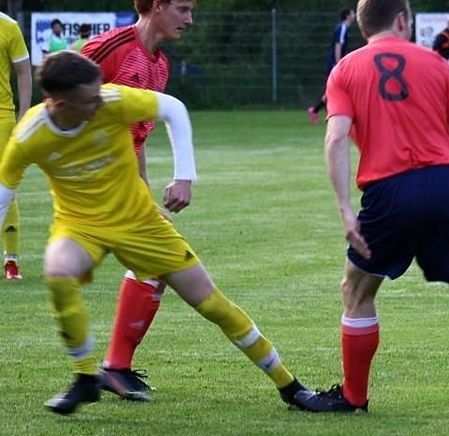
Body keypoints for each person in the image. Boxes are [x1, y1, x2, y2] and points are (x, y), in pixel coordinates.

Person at [0, 51, 321, 415]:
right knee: (58, 272)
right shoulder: (30, 135)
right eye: (89, 99)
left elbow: (173, 109)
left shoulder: (112, 100)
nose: (99, 102)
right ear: (59, 104)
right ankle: (85, 377)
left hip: (141, 223)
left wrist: (185, 175)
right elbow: (4, 193)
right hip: (80, 226)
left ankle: (290, 386)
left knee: (212, 304)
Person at [308, 0, 449, 422]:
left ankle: (354, 396)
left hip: (388, 191)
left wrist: (345, 210)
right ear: (403, 19)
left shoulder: (345, 69)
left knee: (357, 291)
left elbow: (335, 139)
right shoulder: (437, 65)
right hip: (447, 185)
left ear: (363, 24)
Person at [81, 0, 197, 402]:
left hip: (124, 185)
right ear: (157, 6)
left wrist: (142, 187)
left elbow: (136, 136)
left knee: (157, 264)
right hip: (97, 183)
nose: (190, 20)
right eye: (183, 9)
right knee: (166, 262)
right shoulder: (108, 49)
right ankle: (113, 367)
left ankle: (115, 367)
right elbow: (61, 103)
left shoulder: (160, 65)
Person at [0, 12, 32, 281]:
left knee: (5, 185)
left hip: (2, 117)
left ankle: (11, 259)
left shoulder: (9, 26)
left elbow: (23, 72)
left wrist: (23, 115)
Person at [307, 7, 355, 125]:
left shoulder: (343, 28)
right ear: (347, 16)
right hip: (335, 64)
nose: (354, 15)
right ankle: (325, 112)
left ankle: (317, 111)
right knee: (334, 90)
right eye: (352, 13)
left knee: (333, 90)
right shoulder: (342, 27)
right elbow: (338, 46)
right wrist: (339, 65)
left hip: (336, 63)